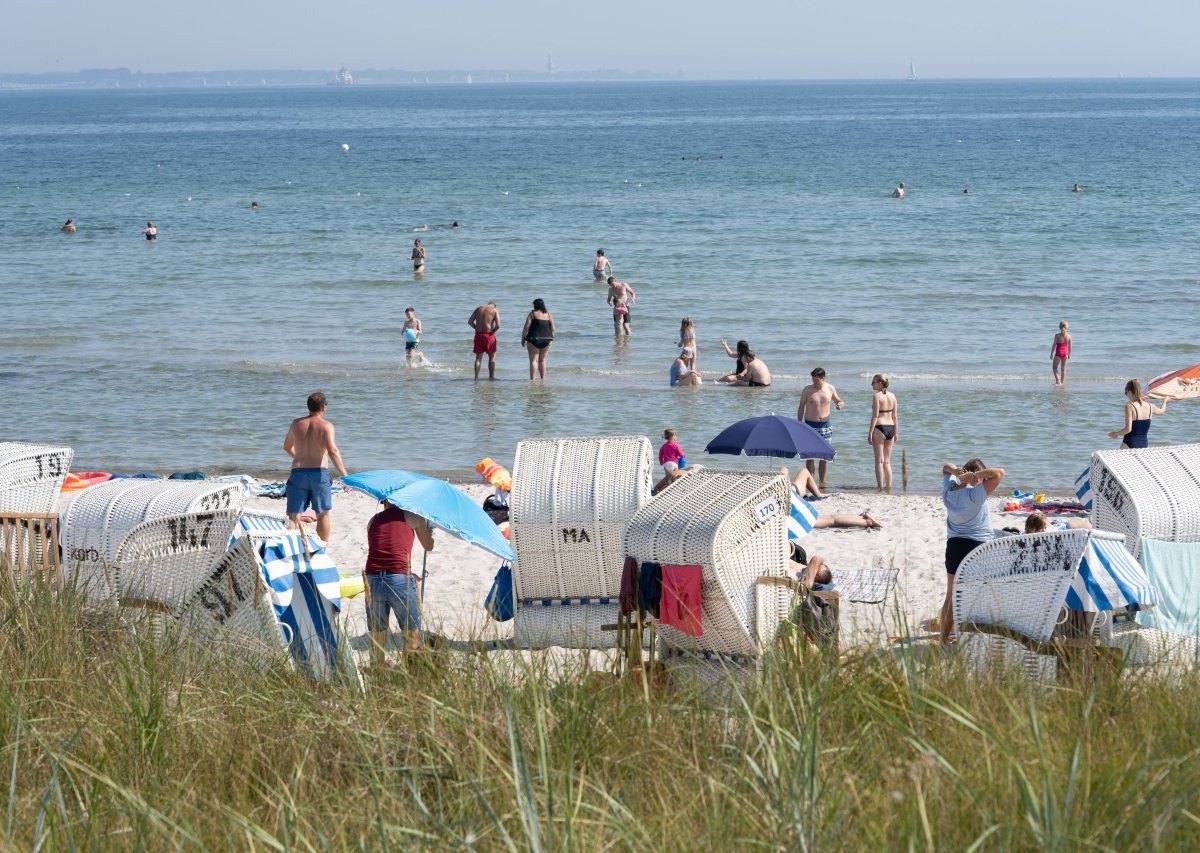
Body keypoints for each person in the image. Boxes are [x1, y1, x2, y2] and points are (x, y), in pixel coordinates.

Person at [939, 458, 1005, 644]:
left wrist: (957, 472)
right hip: (978, 548)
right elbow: (999, 472)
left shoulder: (950, 491)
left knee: (951, 595)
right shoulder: (976, 495)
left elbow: (946, 467)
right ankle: (981, 637)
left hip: (955, 545)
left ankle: (944, 639)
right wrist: (975, 477)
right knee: (983, 593)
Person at [365, 500, 435, 664]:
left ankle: (377, 672)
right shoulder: (413, 517)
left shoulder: (372, 521)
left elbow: (385, 551)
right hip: (399, 579)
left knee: (377, 633)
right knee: (411, 633)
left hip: (372, 579)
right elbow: (428, 546)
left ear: (382, 500)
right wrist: (428, 531)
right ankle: (410, 674)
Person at [283, 391, 349, 543]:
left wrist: (299, 457)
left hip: (298, 473)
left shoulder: (296, 423)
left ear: (308, 406)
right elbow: (332, 451)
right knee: (323, 514)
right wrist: (344, 475)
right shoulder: (326, 426)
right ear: (324, 408)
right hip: (319, 474)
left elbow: (287, 447)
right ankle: (322, 550)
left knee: (293, 516)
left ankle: (290, 548)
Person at [797, 368, 844, 488]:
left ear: (823, 378)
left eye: (817, 380)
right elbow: (801, 407)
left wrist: (840, 405)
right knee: (810, 456)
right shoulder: (807, 390)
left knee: (824, 456)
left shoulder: (830, 388)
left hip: (825, 426)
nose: (814, 382)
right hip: (809, 425)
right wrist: (799, 423)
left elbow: (839, 401)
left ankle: (822, 483)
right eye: (813, 379)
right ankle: (810, 482)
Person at [1108, 378, 1167, 449]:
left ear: (1129, 392)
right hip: (1144, 444)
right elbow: (1162, 411)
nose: (1127, 396)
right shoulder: (1150, 406)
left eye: (1126, 393)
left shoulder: (1129, 407)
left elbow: (1128, 429)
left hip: (1129, 443)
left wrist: (1115, 434)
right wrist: (1165, 401)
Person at [867, 374, 898, 492]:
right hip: (891, 427)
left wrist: (870, 432)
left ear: (880, 383)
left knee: (879, 461)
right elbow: (895, 416)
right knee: (887, 461)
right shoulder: (893, 396)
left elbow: (875, 416)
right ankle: (889, 487)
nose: (872, 384)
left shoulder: (876, 396)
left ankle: (880, 487)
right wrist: (896, 432)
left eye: (873, 382)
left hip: (879, 427)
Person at [520, 298, 555, 381]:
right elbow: (553, 328)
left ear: (535, 305)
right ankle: (543, 379)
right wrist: (551, 339)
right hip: (547, 339)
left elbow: (526, 327)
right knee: (542, 361)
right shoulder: (548, 314)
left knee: (533, 360)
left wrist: (523, 338)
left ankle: (532, 380)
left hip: (533, 339)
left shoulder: (532, 314)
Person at [468, 302, 500, 380]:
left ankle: (476, 377)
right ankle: (491, 377)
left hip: (478, 335)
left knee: (478, 358)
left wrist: (476, 328)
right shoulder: (494, 310)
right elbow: (498, 325)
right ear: (494, 306)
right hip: (489, 335)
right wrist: (493, 332)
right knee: (492, 357)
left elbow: (470, 322)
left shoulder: (478, 309)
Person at [1025, 511, 1090, 533]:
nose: (1044, 530)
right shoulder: (1029, 531)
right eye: (1042, 529)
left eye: (1044, 528)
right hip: (1054, 525)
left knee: (1069, 524)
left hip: (1063, 526)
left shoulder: (1048, 532)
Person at [1051, 321, 1072, 386]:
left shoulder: (1057, 335)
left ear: (1059, 327)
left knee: (1054, 368)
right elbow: (1070, 347)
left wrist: (1051, 353)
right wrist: (1069, 354)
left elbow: (1054, 345)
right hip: (1065, 353)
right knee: (1063, 370)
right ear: (1067, 327)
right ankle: (1061, 383)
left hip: (1058, 353)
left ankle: (1058, 381)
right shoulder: (1069, 336)